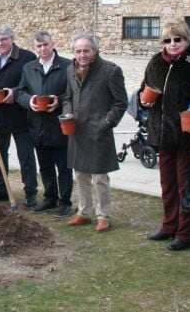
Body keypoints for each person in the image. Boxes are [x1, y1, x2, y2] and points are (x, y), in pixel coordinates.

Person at [140, 20, 190, 251]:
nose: (172, 44)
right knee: (167, 183)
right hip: (162, 134)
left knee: (187, 185)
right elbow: (145, 87)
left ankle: (185, 233)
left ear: (187, 39)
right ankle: (169, 225)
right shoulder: (156, 62)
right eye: (167, 40)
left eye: (177, 39)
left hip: (187, 135)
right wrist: (143, 99)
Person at [62, 33, 127, 233]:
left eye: (86, 50)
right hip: (77, 132)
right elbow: (67, 97)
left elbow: (120, 102)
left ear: (94, 51)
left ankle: (104, 216)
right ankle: (84, 213)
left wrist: (106, 122)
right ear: (73, 52)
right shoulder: (70, 70)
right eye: (78, 51)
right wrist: (67, 114)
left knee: (100, 178)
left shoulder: (110, 71)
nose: (82, 55)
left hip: (100, 132)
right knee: (80, 175)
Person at [0, 26, 38, 206]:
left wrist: (14, 92)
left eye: (4, 39)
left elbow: (32, 83)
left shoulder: (27, 58)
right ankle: (1, 188)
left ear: (12, 39)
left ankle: (30, 192)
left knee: (25, 156)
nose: (1, 43)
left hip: (21, 115)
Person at [15, 30, 72, 216]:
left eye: (46, 44)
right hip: (37, 124)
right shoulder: (29, 67)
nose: (43, 48)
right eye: (38, 46)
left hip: (59, 125)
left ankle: (65, 202)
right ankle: (50, 198)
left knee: (63, 166)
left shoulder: (67, 66)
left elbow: (73, 94)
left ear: (53, 44)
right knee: (45, 165)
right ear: (34, 48)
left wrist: (59, 100)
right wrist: (29, 101)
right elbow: (20, 91)